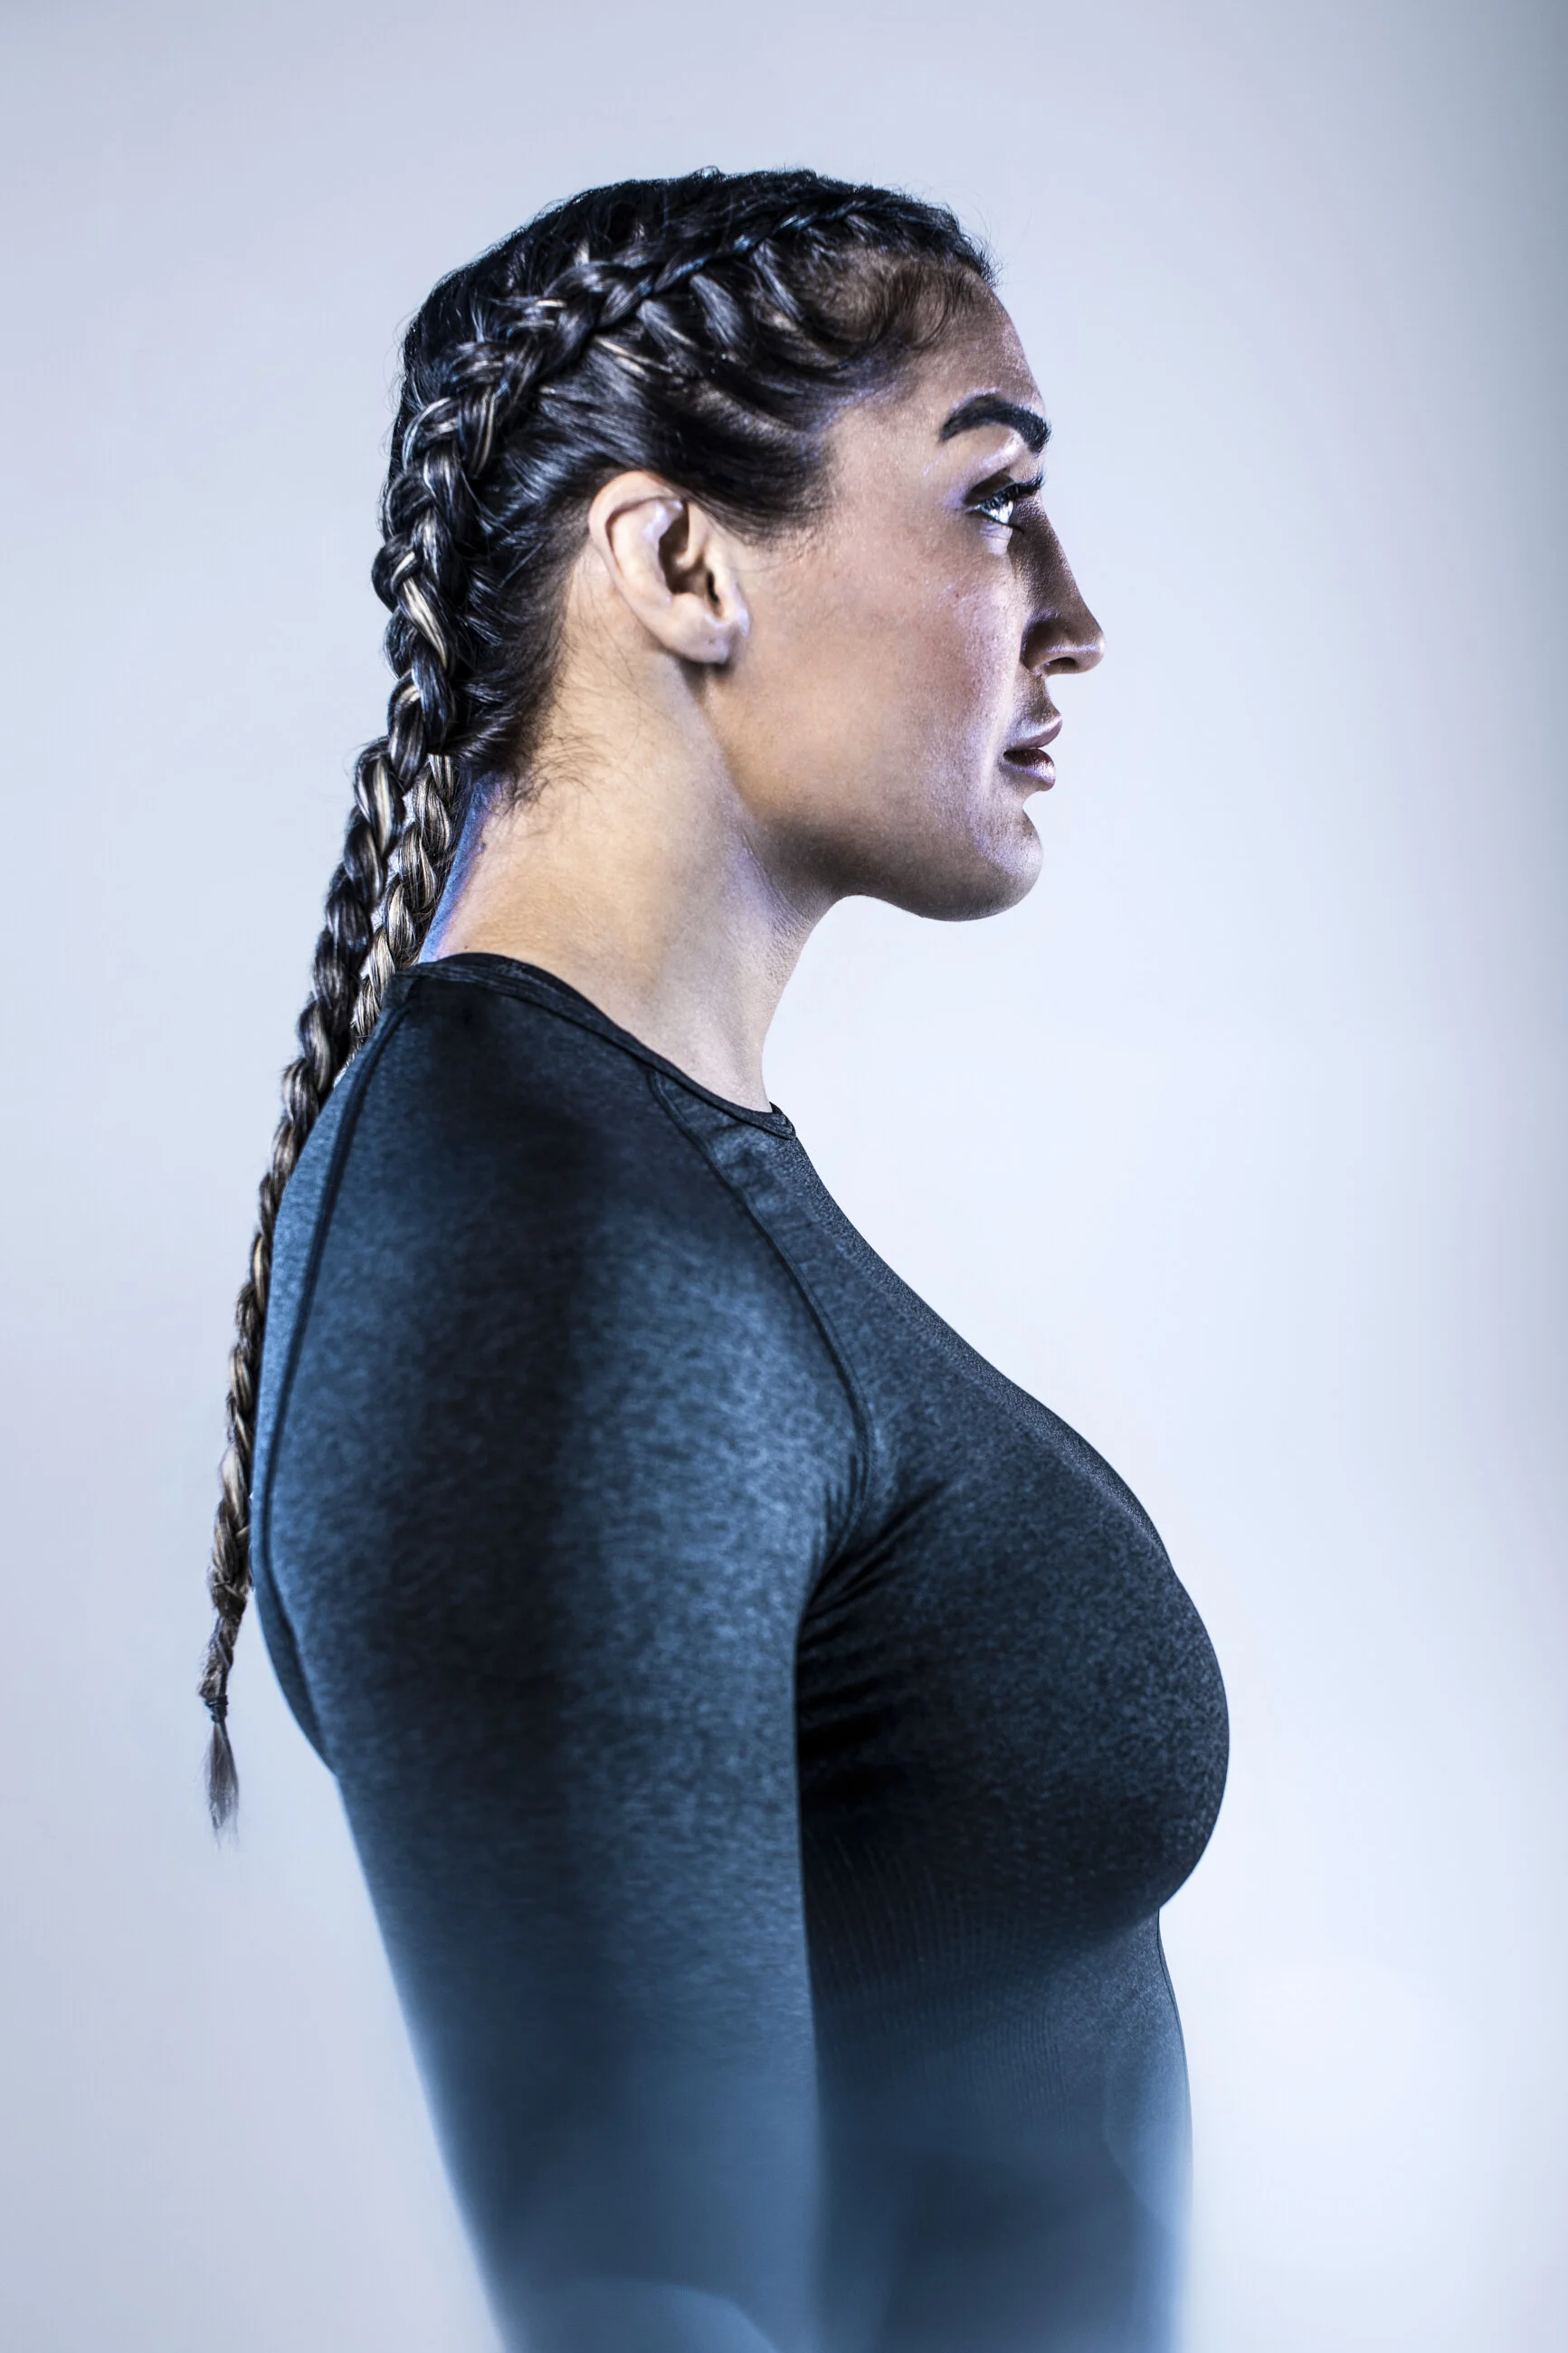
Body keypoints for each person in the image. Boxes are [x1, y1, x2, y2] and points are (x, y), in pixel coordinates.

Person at [203, 167, 1229, 2353]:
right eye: (988, 502)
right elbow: (643, 2303)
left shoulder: (641, 1175)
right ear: (679, 564)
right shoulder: (538, 1242)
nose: (1067, 609)